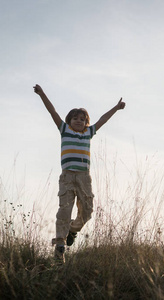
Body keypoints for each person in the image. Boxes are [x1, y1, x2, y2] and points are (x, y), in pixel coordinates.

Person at [33, 84, 126, 263]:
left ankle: (73, 231)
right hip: (67, 176)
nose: (78, 121)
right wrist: (42, 94)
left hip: (84, 177)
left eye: (82, 119)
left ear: (86, 123)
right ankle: (60, 246)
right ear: (69, 121)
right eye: (75, 118)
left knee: (88, 211)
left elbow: (103, 120)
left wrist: (116, 108)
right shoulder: (64, 130)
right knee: (64, 210)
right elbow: (51, 111)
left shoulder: (88, 133)